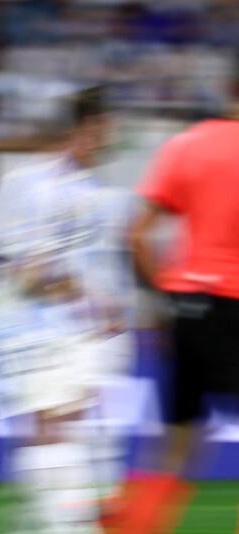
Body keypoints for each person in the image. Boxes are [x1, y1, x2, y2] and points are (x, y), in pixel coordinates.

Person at [0, 87, 133, 533]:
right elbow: (25, 269)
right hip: (31, 327)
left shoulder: (96, 192)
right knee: (53, 425)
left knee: (67, 429)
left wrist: (104, 309)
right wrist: (85, 297)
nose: (107, 138)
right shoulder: (31, 185)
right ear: (83, 128)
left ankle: (46, 523)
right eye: (102, 128)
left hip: (75, 332)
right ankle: (65, 526)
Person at [114, 103, 239, 533]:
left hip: (187, 307)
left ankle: (133, 526)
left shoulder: (185, 146)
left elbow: (134, 235)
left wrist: (163, 302)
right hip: (233, 302)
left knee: (175, 446)